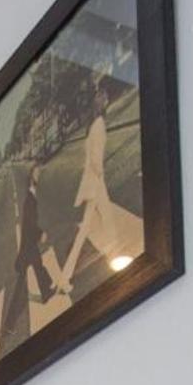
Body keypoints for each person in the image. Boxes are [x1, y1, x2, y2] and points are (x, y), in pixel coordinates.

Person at [58, 81, 143, 292]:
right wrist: (99, 177)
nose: (106, 101)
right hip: (96, 183)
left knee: (100, 223)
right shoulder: (98, 125)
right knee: (96, 226)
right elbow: (95, 160)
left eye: (105, 98)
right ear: (100, 102)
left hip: (93, 182)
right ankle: (67, 277)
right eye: (104, 99)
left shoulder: (92, 126)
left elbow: (90, 157)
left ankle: (116, 258)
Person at [1, 161, 59, 345]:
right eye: (36, 173)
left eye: (39, 173)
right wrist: (40, 234)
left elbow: (30, 225)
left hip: (29, 245)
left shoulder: (32, 198)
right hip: (28, 246)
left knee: (39, 267)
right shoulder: (29, 200)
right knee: (20, 287)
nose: (39, 175)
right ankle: (9, 324)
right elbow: (29, 225)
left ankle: (46, 292)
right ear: (31, 179)